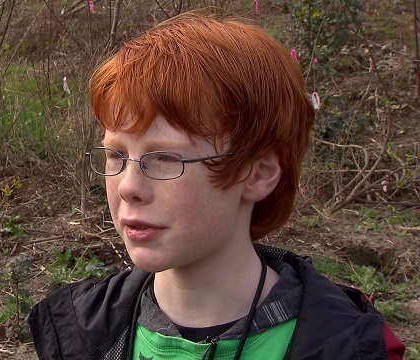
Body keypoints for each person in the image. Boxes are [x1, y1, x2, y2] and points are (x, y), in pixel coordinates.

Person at [28, 10, 406, 360]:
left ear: (257, 173)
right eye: (116, 155)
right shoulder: (80, 332)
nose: (128, 187)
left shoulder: (342, 345)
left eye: (165, 158)